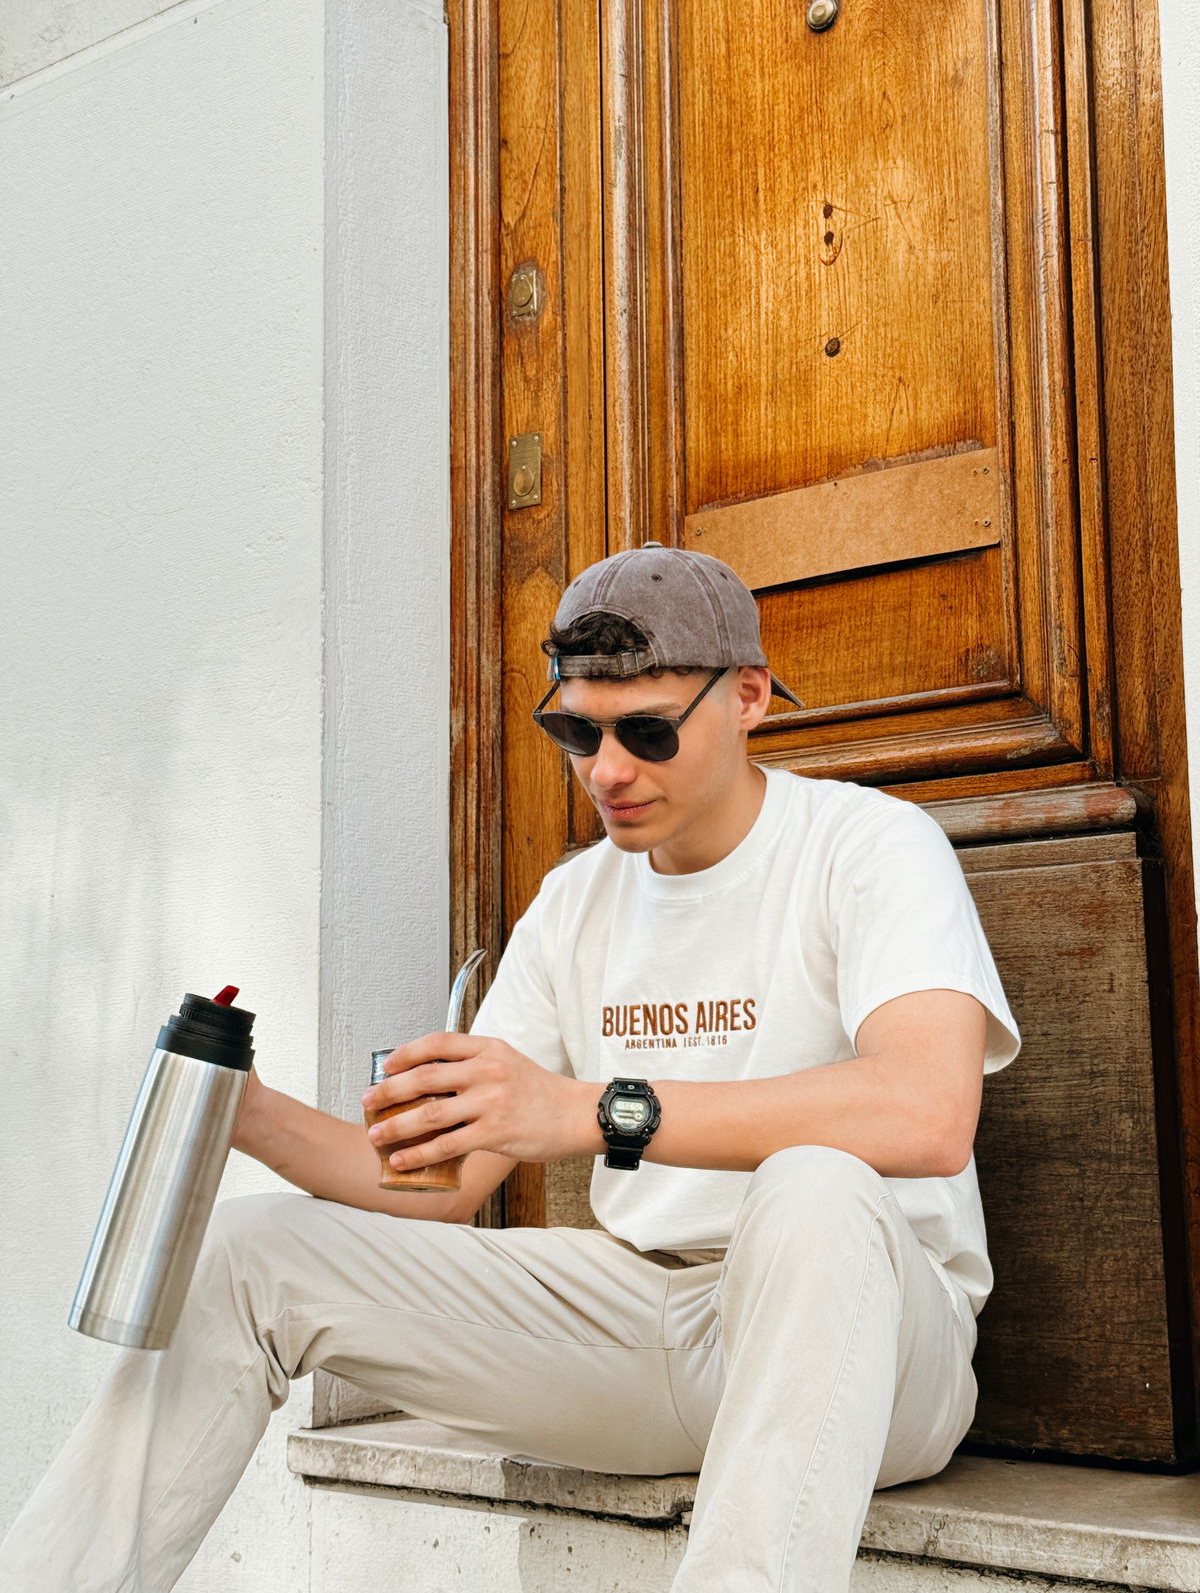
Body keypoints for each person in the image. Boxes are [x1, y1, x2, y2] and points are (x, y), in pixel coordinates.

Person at [0, 544, 1019, 1592]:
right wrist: (242, 1112)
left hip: (871, 1343)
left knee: (815, 1186)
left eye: (648, 732)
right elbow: (443, 1187)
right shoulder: (577, 898)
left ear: (750, 697)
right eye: (577, 732)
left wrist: (590, 1112)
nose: (607, 770)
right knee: (247, 1250)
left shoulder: (868, 846)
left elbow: (926, 1110)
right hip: (644, 1322)